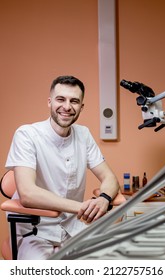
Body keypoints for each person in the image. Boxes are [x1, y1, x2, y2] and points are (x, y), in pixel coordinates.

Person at [5, 75, 120, 259]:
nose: (67, 106)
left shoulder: (83, 134)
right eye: (61, 99)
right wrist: (83, 207)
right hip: (36, 231)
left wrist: (104, 199)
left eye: (74, 101)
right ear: (49, 102)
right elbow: (27, 194)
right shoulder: (27, 135)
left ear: (81, 107)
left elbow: (110, 179)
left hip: (74, 229)